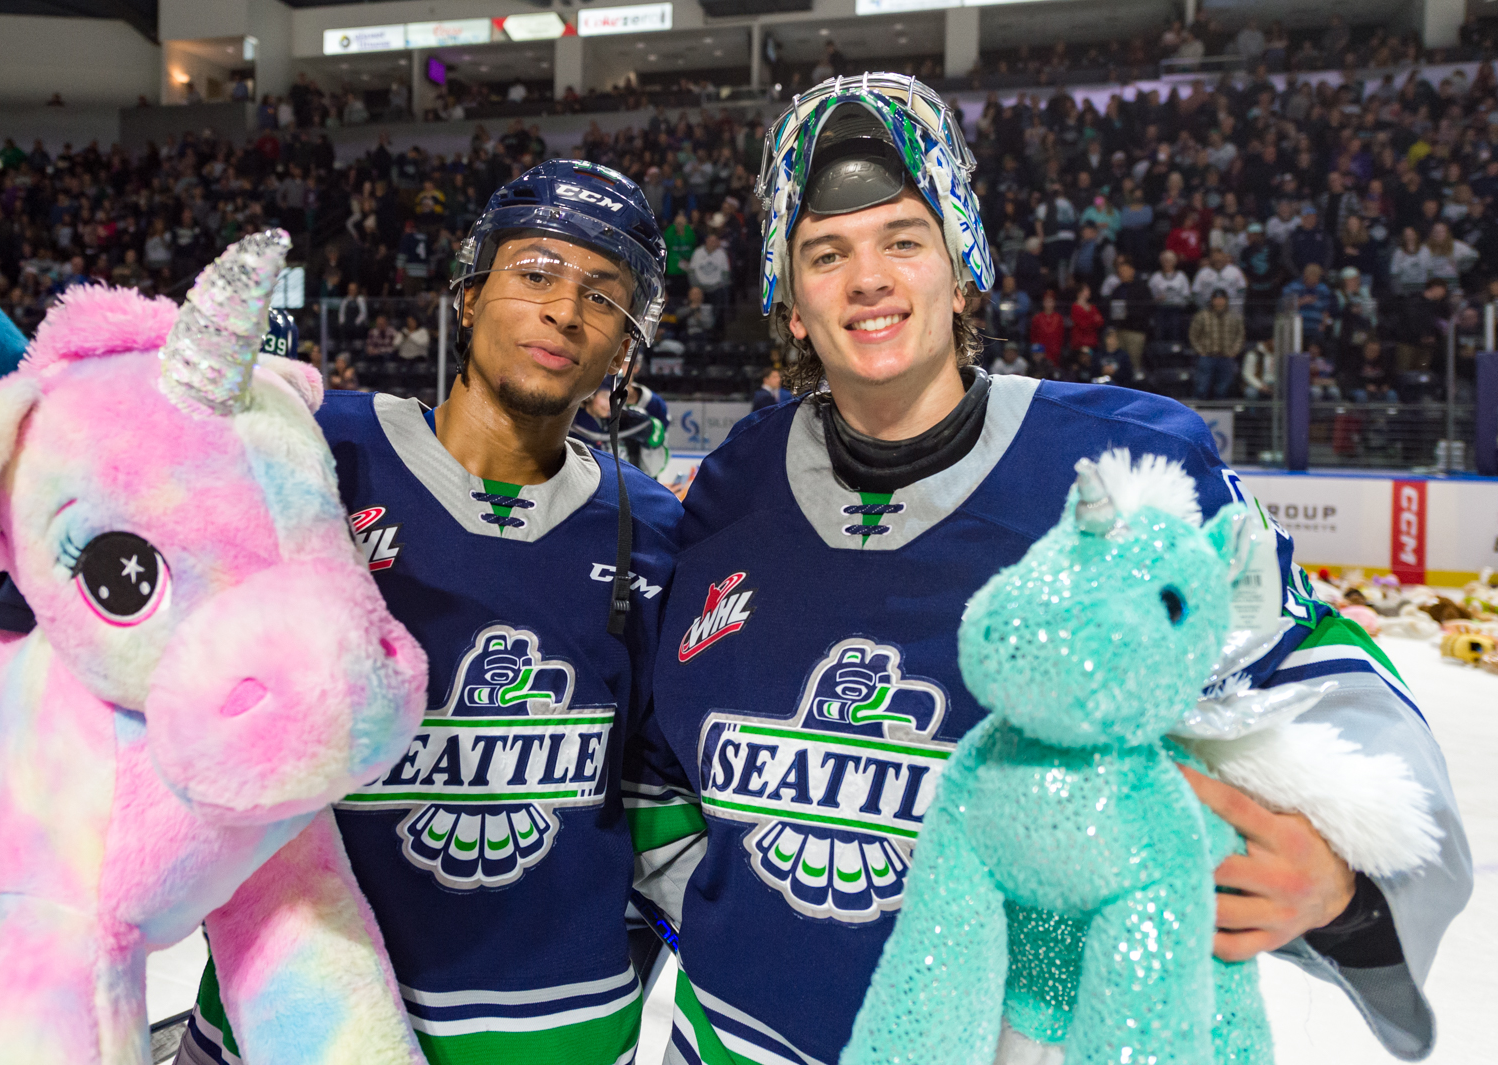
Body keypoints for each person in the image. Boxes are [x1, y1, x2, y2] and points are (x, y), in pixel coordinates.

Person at [627, 73, 1469, 1065]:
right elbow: (654, 759)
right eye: (826, 254)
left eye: (903, 238)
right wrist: (738, 920)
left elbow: (1325, 695)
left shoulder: (1123, 470)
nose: (868, 279)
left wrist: (1350, 892)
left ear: (961, 263)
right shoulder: (731, 490)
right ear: (790, 300)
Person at [179, 161, 682, 1065]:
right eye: (535, 273)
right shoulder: (321, 451)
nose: (565, 310)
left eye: (602, 295)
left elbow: (658, 782)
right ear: (468, 290)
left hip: (557, 1033)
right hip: (293, 1017)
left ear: (625, 343)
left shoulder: (653, 526)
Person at [1190, 288, 1245, 399]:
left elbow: (1240, 335)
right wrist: (1200, 350)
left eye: (1221, 299)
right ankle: (1199, 413)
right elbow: (1193, 335)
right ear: (1212, 300)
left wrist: (1235, 350)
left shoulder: (1235, 316)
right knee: (1201, 388)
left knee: (1223, 389)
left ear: (1226, 300)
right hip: (1207, 357)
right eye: (1216, 299)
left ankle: (1220, 415)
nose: (1219, 301)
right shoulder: (1202, 316)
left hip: (1226, 357)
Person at [1149, 249, 1192, 345]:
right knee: (1160, 333)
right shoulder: (1155, 277)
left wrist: (1177, 299)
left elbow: (1187, 296)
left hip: (1176, 310)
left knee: (1175, 331)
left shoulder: (1181, 276)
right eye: (1165, 260)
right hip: (1161, 310)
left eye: (1169, 260)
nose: (1167, 263)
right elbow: (1149, 296)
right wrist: (1157, 299)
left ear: (1175, 262)